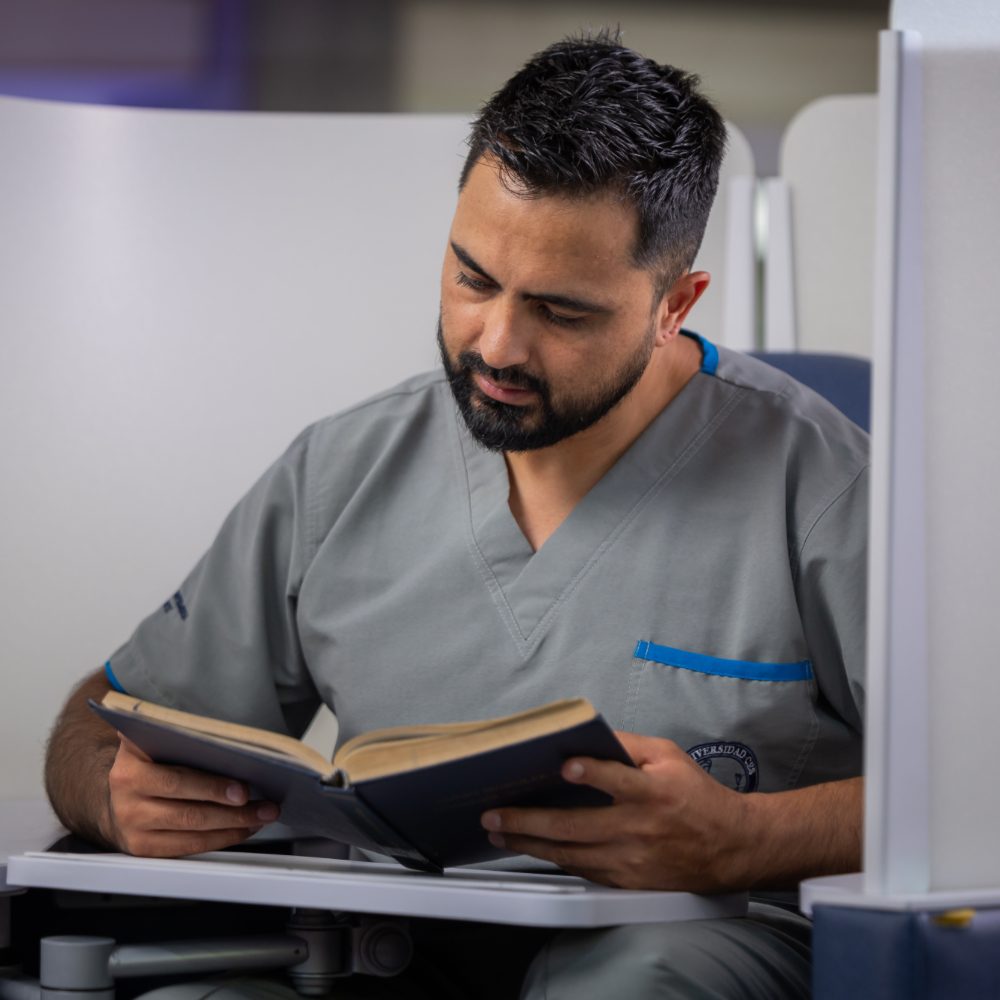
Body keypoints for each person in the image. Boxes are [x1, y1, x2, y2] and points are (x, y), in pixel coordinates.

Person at [44, 31, 867, 999]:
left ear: (671, 305)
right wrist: (109, 787)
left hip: (685, 939)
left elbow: (973, 803)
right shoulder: (341, 471)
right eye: (473, 278)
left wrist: (744, 840)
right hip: (386, 950)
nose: (497, 343)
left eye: (561, 312)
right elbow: (92, 722)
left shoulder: (821, 484)